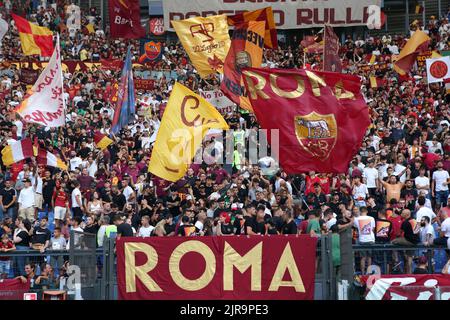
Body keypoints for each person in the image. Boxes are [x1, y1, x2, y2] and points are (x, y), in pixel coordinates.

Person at [353, 206, 376, 274]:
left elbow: (356, 227)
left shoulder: (356, 219)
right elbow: (373, 229)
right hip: (370, 239)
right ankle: (368, 273)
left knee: (362, 258)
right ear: (367, 211)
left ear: (360, 211)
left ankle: (363, 273)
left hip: (362, 240)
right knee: (369, 257)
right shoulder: (372, 218)